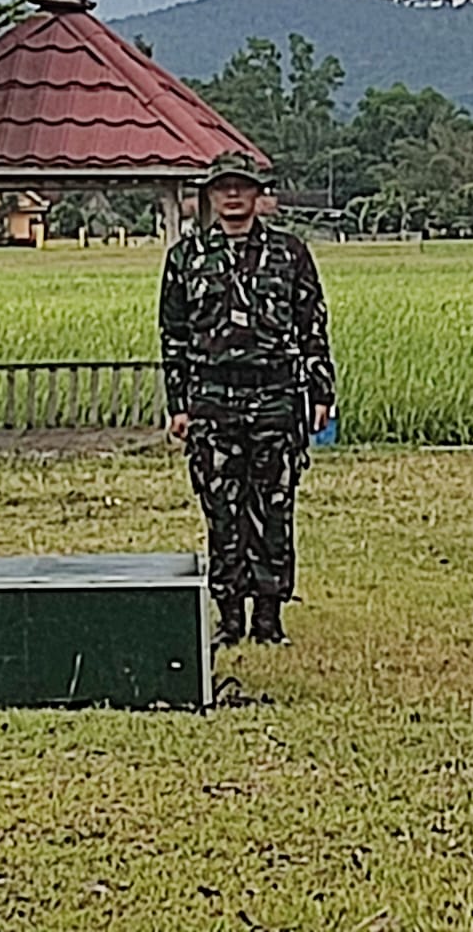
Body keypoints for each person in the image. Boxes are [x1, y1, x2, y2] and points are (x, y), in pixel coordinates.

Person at [159, 151, 335, 647]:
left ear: (259, 194)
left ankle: (269, 617)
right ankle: (230, 615)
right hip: (213, 398)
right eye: (223, 187)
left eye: (242, 186)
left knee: (274, 506)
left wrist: (321, 390)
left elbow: (312, 325)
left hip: (275, 395)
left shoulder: (289, 253)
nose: (233, 195)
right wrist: (178, 404)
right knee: (222, 509)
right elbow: (173, 333)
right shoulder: (187, 257)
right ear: (211, 196)